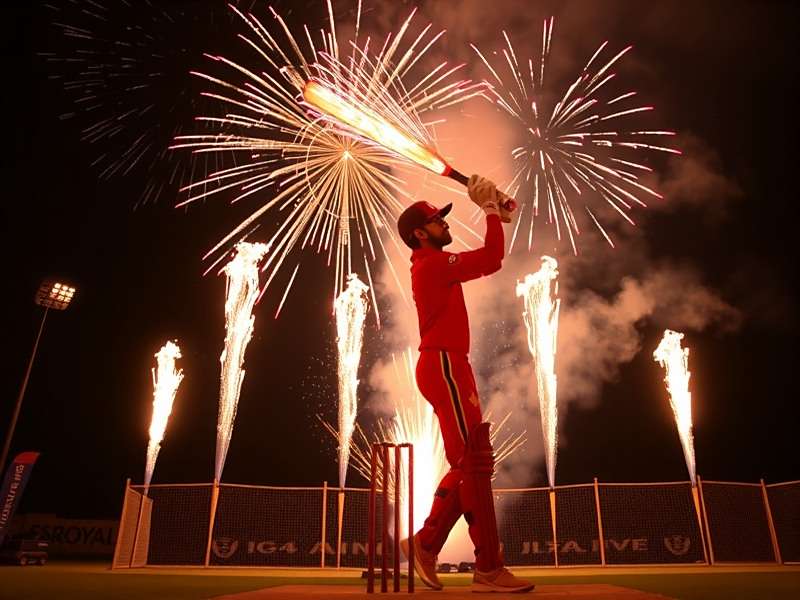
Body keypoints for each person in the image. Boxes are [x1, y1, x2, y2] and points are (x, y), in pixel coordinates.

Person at [396, 176, 535, 593]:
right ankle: (488, 567)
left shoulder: (433, 264)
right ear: (420, 234)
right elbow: (492, 259)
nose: (444, 223)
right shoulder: (432, 264)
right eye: (436, 220)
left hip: (450, 363)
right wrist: (490, 211)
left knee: (472, 463)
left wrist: (497, 214)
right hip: (443, 363)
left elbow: (491, 255)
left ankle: (425, 544)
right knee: (473, 464)